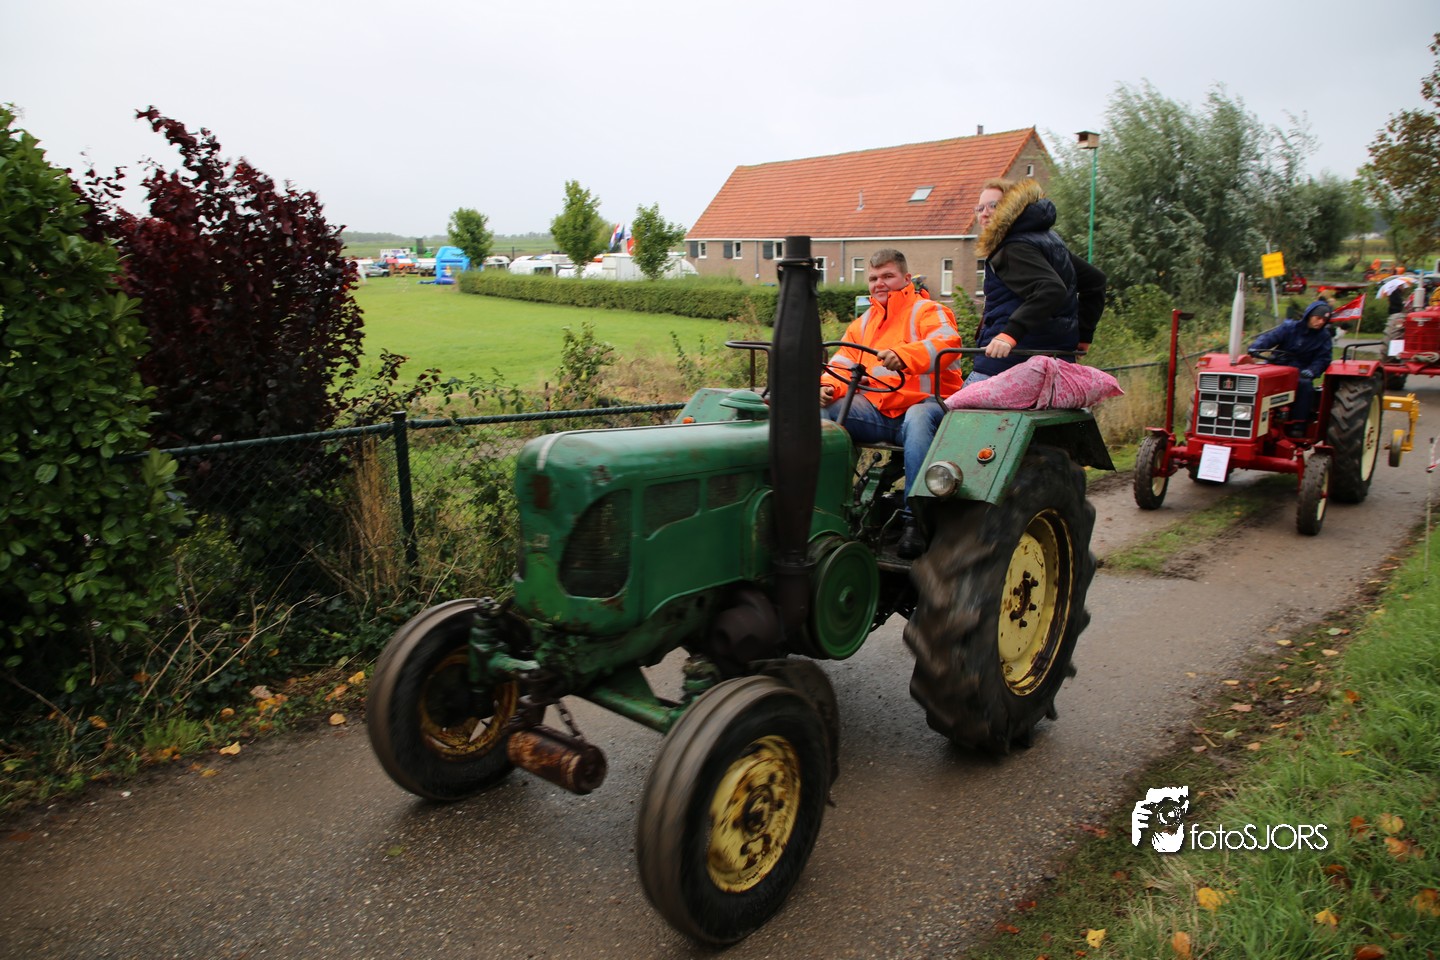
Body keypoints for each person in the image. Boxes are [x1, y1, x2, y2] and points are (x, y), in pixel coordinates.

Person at [821, 248, 964, 558]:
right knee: (825, 412)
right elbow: (842, 365)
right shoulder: (863, 324)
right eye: (874, 278)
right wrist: (827, 387)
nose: (879, 283)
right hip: (882, 412)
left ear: (906, 278)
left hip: (931, 407)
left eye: (888, 276)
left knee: (917, 417)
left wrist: (904, 356)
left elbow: (947, 344)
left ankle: (916, 521)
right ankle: (831, 509)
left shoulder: (929, 311)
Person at [969, 178, 1106, 385]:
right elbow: (1096, 281)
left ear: (1012, 205)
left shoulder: (1013, 248)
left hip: (1008, 364)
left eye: (993, 206)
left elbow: (1050, 289)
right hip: (1056, 361)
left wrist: (1008, 336)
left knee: (950, 406)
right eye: (980, 208)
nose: (984, 213)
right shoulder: (1047, 240)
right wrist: (1084, 336)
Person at [1247, 299, 1336, 435]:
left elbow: (1323, 358)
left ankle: (1298, 425)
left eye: (1324, 320)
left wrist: (1312, 371)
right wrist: (1255, 347)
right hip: (1278, 365)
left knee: (1304, 385)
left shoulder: (1323, 337)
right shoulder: (1289, 328)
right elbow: (1270, 337)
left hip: (1301, 370)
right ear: (1309, 315)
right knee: (1258, 380)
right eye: (1318, 318)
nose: (1320, 322)